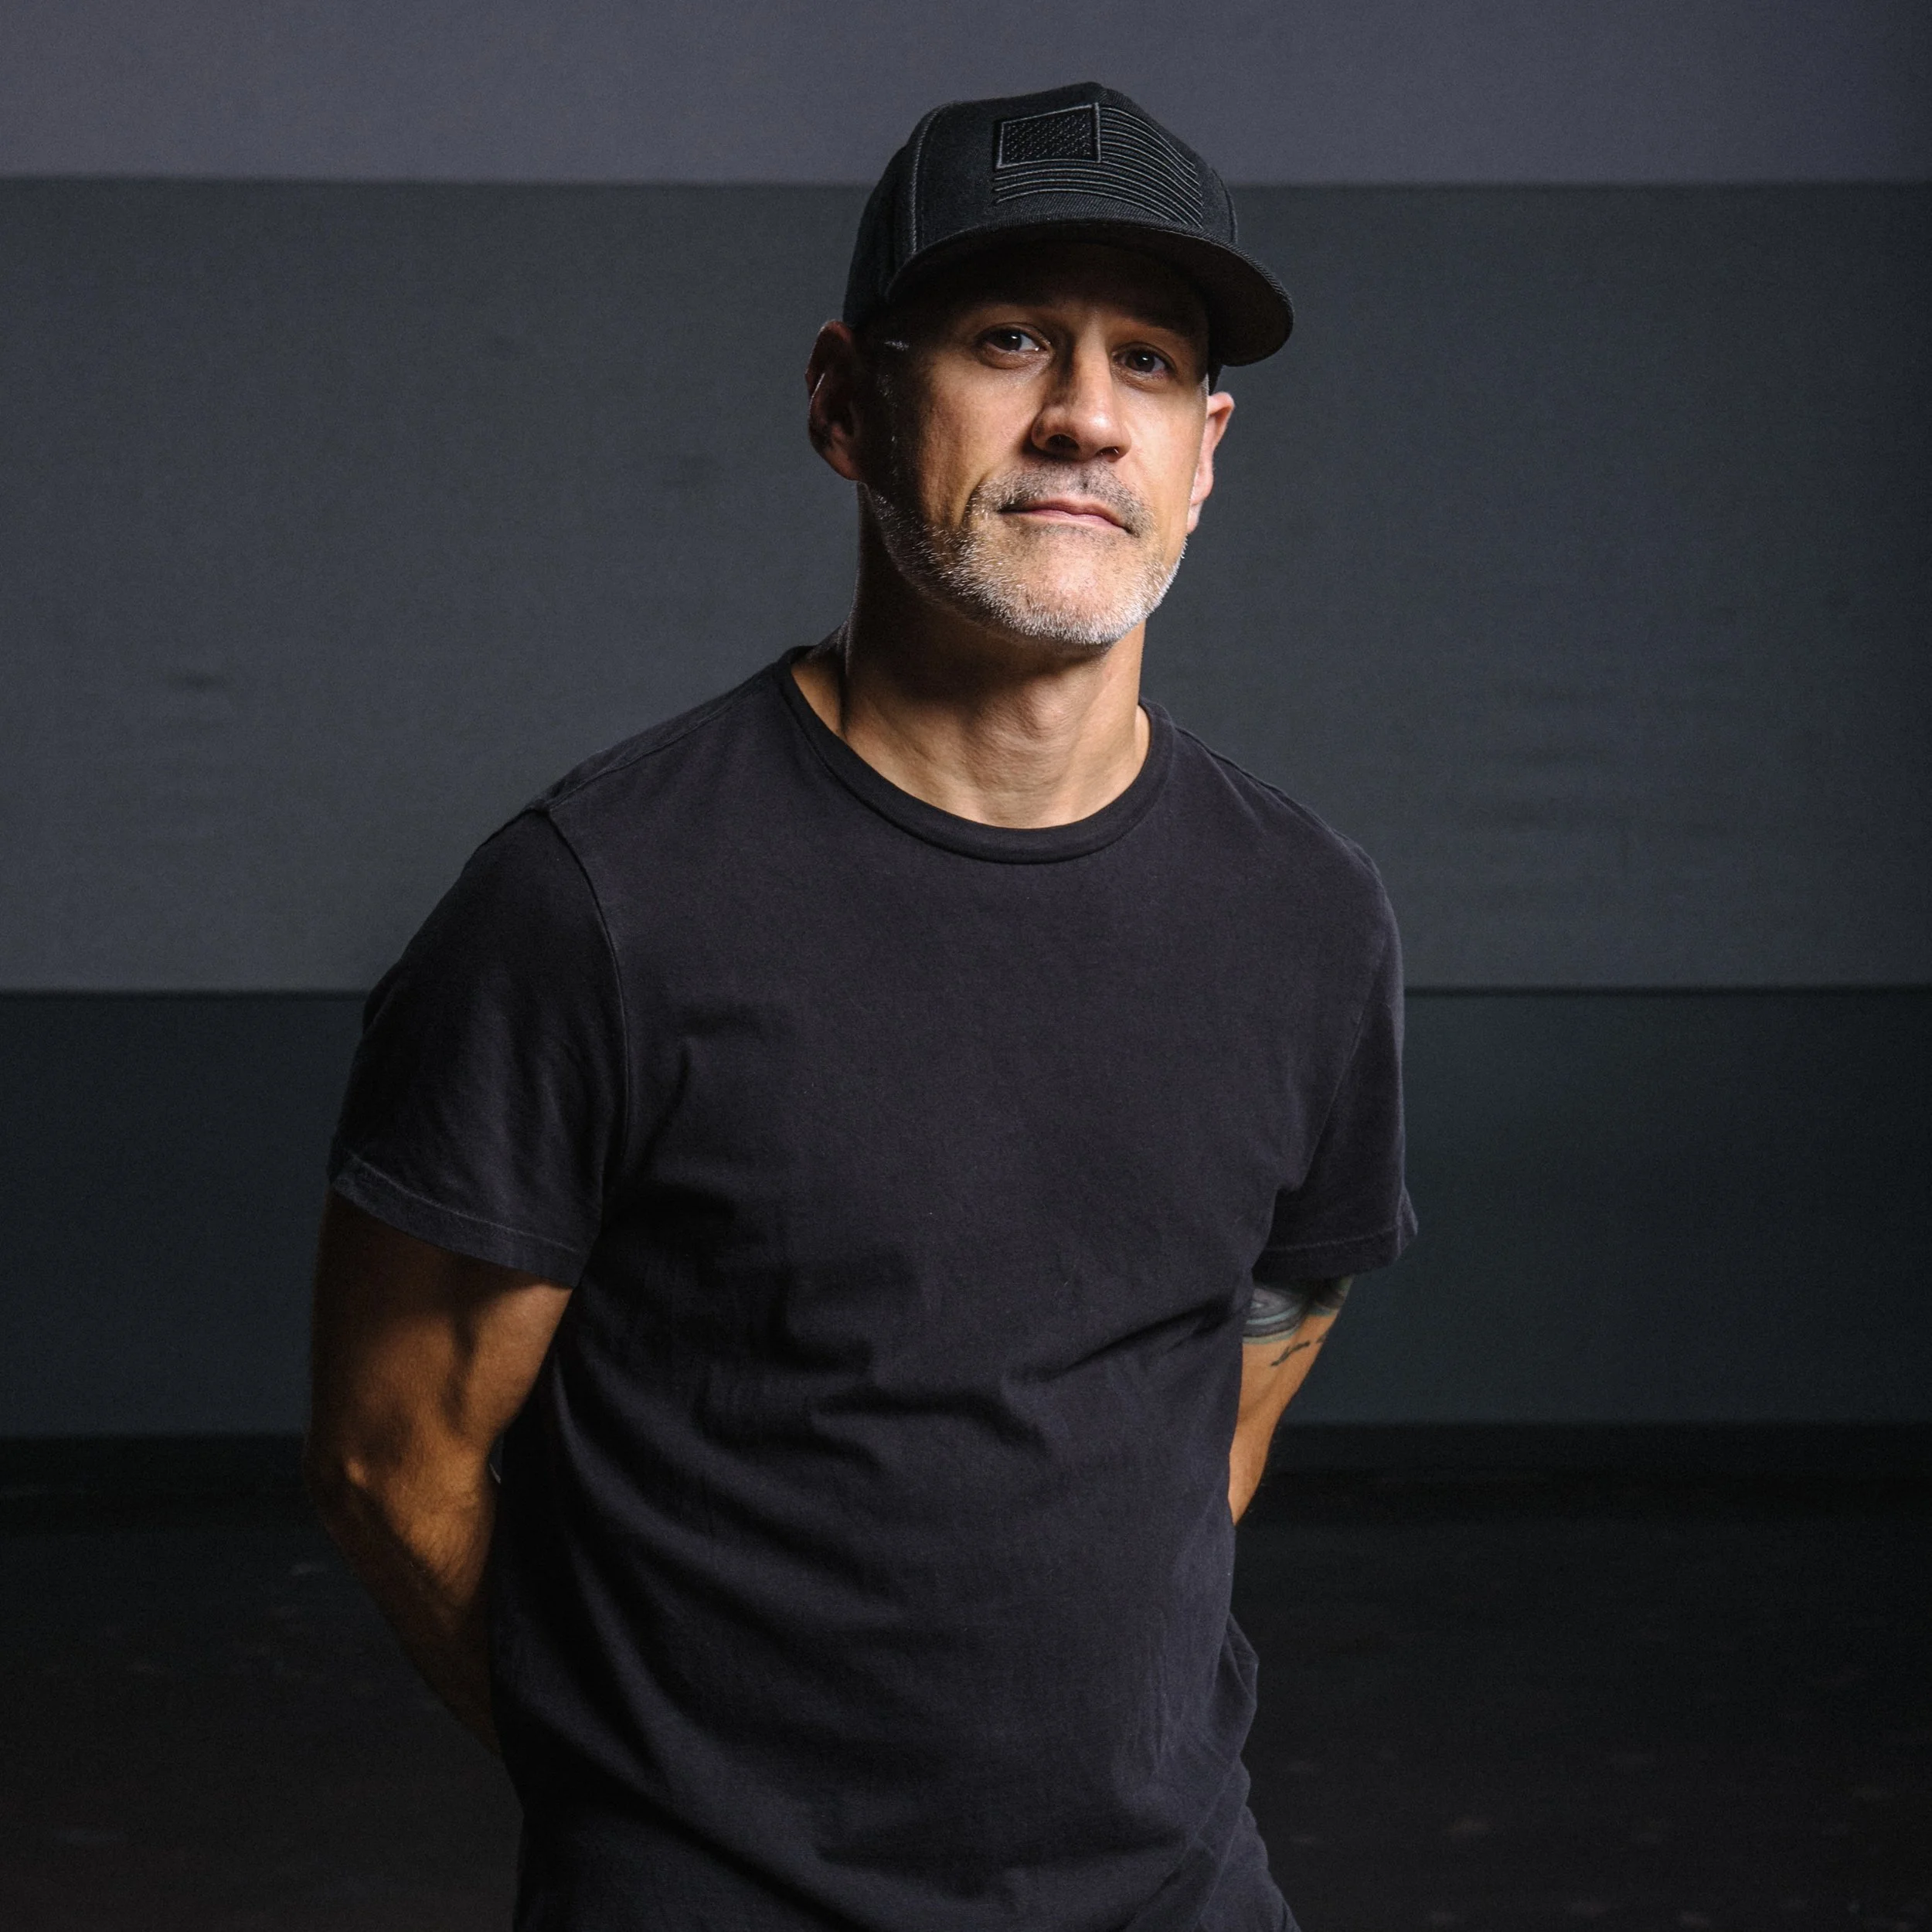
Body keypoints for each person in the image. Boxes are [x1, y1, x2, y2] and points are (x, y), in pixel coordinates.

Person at [305, 80, 1414, 1932]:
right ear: (842, 403)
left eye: (1147, 362)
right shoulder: (595, 904)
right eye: (1008, 340)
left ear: (1202, 450)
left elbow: (1247, 1362)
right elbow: (385, 1452)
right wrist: (651, 1804)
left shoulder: (1304, 915)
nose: (1083, 414)